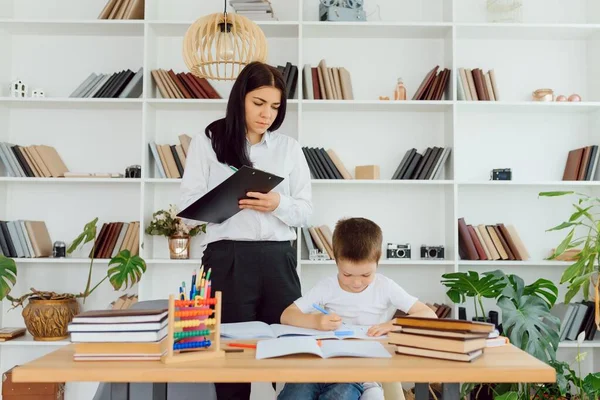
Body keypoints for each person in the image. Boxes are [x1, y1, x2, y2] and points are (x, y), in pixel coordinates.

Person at [178, 61, 312, 400]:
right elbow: (189, 210)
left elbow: (307, 212)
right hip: (227, 260)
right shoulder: (207, 142)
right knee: (230, 363)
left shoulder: (288, 148)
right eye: (258, 103)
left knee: (290, 356)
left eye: (275, 106)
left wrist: (277, 203)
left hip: (278, 260)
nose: (267, 113)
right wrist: (224, 202)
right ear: (240, 99)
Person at [277, 217, 437, 400]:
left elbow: (429, 315)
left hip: (358, 371)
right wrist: (316, 321)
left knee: (340, 395)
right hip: (320, 367)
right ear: (336, 261)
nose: (356, 282)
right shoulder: (327, 287)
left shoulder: (385, 286)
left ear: (378, 260)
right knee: (295, 395)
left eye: (366, 274)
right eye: (347, 274)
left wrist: (393, 324)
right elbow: (287, 315)